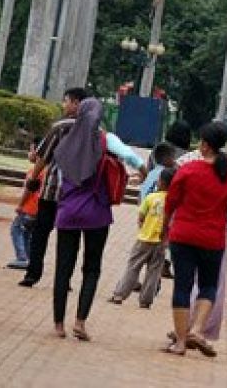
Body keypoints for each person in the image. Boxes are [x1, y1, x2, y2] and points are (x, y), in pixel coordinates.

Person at [162, 122, 227, 357]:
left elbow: (171, 202)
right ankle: (196, 329)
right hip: (213, 239)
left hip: (183, 235)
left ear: (205, 145)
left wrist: (164, 228)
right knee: (208, 286)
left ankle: (181, 342)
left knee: (182, 286)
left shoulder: (188, 169)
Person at [51, 98, 145, 341]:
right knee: (91, 269)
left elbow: (59, 175)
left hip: (68, 212)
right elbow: (135, 160)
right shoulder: (107, 140)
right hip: (97, 213)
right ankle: (80, 323)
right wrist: (143, 176)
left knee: (63, 268)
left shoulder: (66, 138)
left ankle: (58, 324)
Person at [19, 88, 84, 287]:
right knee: (70, 239)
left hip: (52, 190)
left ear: (75, 103)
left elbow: (43, 158)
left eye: (66, 101)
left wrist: (33, 180)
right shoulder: (94, 130)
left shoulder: (61, 126)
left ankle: (32, 274)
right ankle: (64, 281)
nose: (64, 105)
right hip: (76, 194)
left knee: (41, 233)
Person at [109, 169, 174, 308]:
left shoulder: (151, 198)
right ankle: (145, 301)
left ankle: (119, 295)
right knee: (154, 272)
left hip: (144, 239)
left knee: (133, 266)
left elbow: (141, 217)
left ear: (161, 182)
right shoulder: (174, 202)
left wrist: (143, 226)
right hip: (162, 242)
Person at [7, 138, 43, 269]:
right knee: (28, 233)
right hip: (39, 210)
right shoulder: (48, 171)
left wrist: (20, 205)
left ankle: (22, 257)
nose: (29, 153)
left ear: (37, 152)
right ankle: (29, 259)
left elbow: (28, 190)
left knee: (16, 229)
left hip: (29, 208)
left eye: (31, 150)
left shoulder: (34, 172)